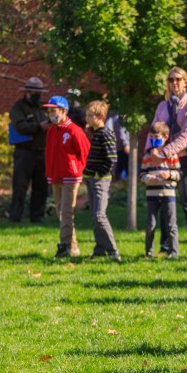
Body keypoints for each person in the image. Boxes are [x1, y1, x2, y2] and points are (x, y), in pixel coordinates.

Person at [151, 67, 187, 256]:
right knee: (166, 200)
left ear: (185, 81)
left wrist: (165, 151)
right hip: (163, 160)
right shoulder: (162, 106)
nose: (175, 82)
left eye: (178, 79)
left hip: (182, 159)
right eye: (171, 79)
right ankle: (166, 246)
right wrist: (150, 154)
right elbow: (154, 131)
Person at [44, 95, 89, 258]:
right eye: (49, 112)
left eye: (53, 111)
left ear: (64, 111)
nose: (50, 114)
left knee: (66, 212)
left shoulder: (74, 131)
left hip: (71, 177)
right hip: (56, 176)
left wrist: (81, 172)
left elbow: (84, 152)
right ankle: (73, 246)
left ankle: (64, 245)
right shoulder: (51, 131)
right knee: (60, 212)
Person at [83, 100, 121, 261]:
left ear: (101, 117)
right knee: (94, 215)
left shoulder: (106, 133)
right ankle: (100, 249)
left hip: (100, 180)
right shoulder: (95, 133)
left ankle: (113, 251)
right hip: (91, 178)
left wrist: (99, 174)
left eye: (90, 115)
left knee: (99, 215)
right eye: (87, 115)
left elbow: (112, 158)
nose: (87, 118)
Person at [7, 77, 49, 223]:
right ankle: (15, 216)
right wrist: (38, 127)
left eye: (39, 93)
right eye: (35, 92)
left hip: (42, 152)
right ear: (28, 92)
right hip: (24, 152)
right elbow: (20, 127)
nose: (38, 95)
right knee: (20, 186)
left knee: (41, 187)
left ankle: (37, 216)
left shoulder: (43, 108)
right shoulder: (19, 107)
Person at [141, 121, 181, 259]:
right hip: (152, 194)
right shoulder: (147, 156)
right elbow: (142, 174)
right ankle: (149, 252)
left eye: (156, 137)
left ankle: (174, 252)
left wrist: (169, 174)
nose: (153, 140)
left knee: (171, 224)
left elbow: (178, 174)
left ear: (165, 137)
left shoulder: (171, 155)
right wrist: (148, 178)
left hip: (168, 193)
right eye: (151, 137)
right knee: (150, 225)